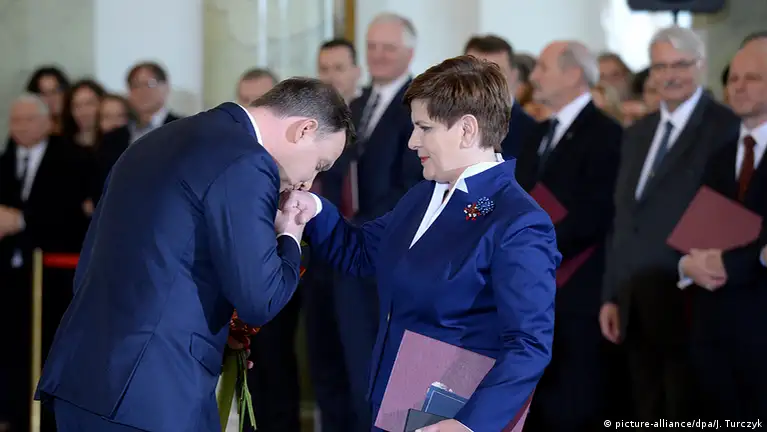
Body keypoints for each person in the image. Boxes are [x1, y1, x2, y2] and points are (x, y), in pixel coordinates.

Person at [34, 77, 354, 432]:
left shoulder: (158, 138)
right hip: (153, 391)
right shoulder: (246, 160)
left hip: (84, 372)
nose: (308, 183)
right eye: (320, 164)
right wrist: (291, 232)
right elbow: (260, 300)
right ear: (305, 129)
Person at [283, 55, 559, 432]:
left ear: (466, 130)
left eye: (424, 128)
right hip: (396, 398)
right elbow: (362, 252)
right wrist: (312, 208)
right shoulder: (424, 194)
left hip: (453, 413)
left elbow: (528, 344)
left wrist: (469, 425)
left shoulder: (518, 220)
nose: (413, 141)